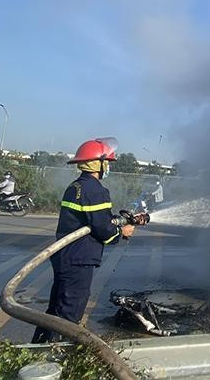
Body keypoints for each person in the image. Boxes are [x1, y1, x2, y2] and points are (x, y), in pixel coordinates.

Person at [32, 138, 137, 343]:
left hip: (66, 255)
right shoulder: (96, 190)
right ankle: (54, 357)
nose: (108, 167)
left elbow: (93, 219)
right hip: (79, 258)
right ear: (98, 163)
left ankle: (37, 349)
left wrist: (116, 219)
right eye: (106, 163)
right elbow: (104, 231)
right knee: (69, 314)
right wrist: (121, 232)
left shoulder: (76, 186)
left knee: (56, 309)